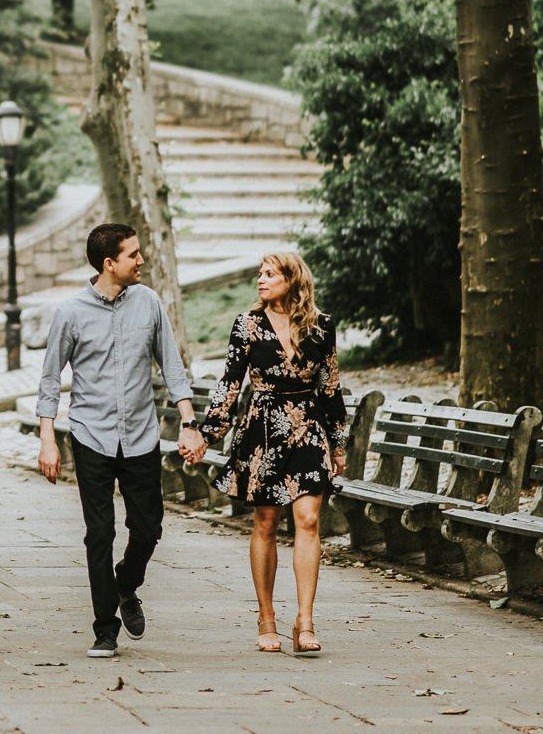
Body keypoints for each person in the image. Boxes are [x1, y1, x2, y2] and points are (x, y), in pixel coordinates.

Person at [36, 223, 206, 659]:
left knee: (147, 528)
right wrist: (47, 441)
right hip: (91, 436)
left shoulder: (148, 303)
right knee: (100, 532)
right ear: (109, 263)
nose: (141, 260)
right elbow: (51, 378)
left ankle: (126, 584)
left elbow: (172, 367)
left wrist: (189, 422)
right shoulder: (71, 312)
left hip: (140, 437)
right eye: (133, 255)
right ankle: (104, 628)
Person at [185, 251, 345, 655]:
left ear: (293, 280)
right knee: (267, 524)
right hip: (263, 432)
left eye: (270, 273)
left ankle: (305, 621)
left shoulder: (321, 326)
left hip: (308, 428)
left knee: (308, 520)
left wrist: (339, 443)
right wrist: (207, 434)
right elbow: (229, 385)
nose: (261, 279)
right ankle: (267, 616)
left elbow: (330, 386)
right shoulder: (247, 325)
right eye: (260, 273)